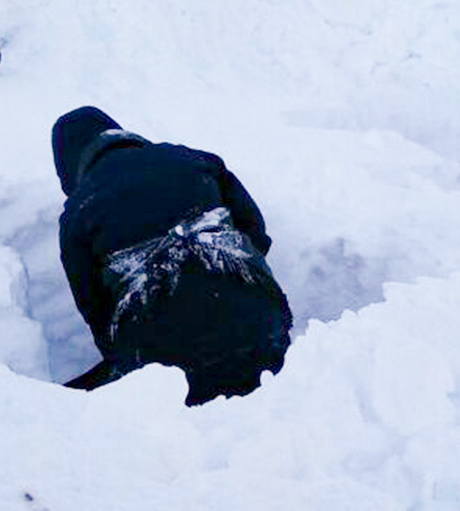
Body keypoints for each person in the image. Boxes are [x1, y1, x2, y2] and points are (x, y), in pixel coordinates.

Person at [52, 106, 292, 405]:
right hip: (261, 323)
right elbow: (253, 228)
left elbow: (93, 306)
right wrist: (241, 280)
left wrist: (124, 358)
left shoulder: (77, 211)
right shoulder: (193, 159)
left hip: (165, 362)